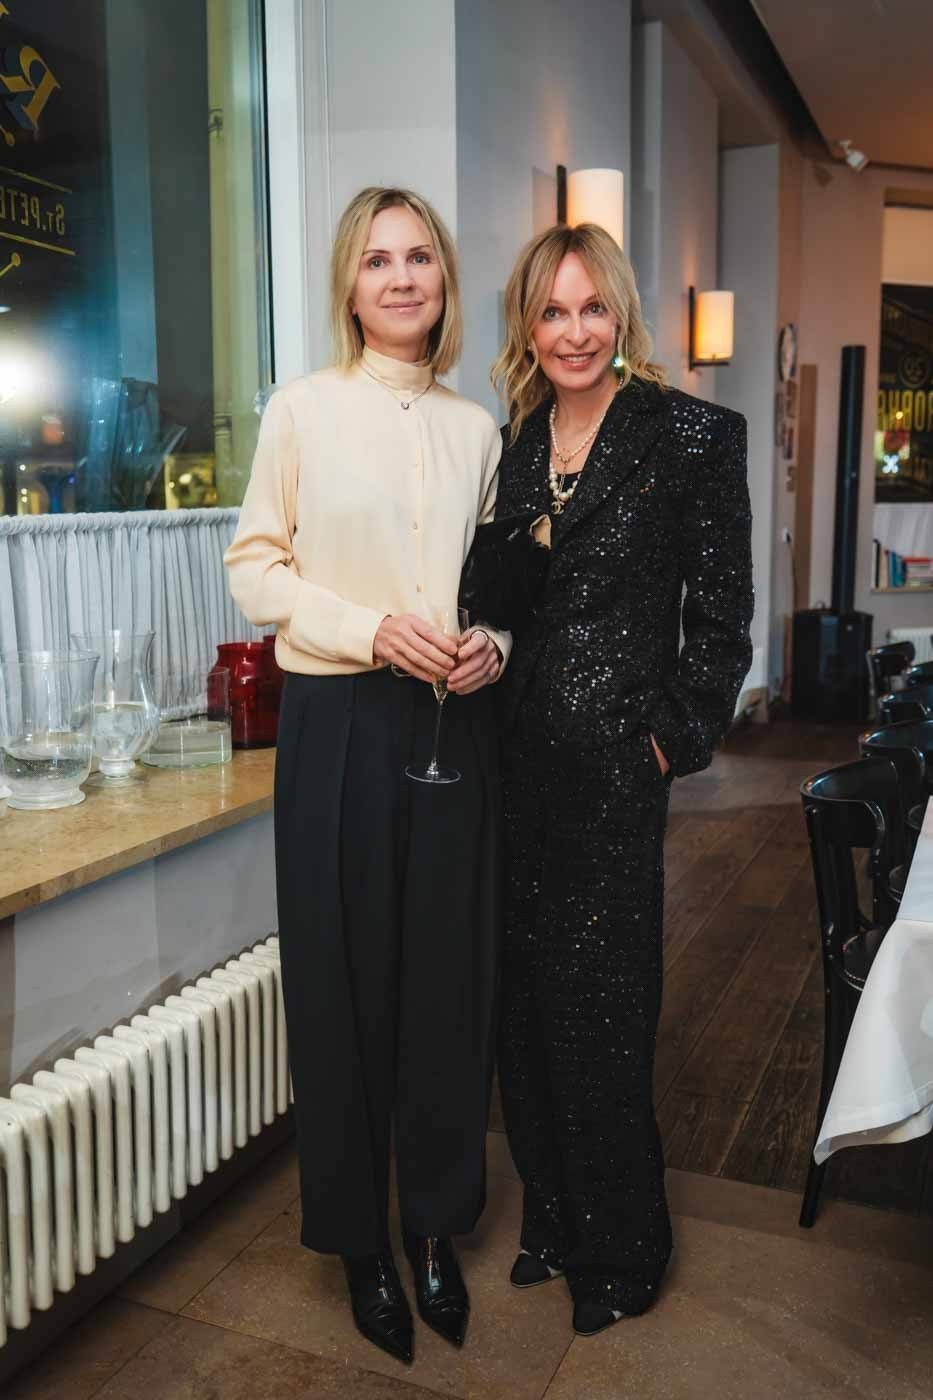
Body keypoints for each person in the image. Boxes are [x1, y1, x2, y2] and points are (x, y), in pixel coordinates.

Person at [224, 186, 508, 1366]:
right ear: (349, 281)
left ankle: (435, 1226)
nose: (400, 278)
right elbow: (255, 567)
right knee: (340, 982)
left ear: (443, 279)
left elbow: (498, 584)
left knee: (447, 977)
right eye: (378, 259)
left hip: (453, 721)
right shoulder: (302, 410)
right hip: (337, 720)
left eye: (419, 257)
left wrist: (495, 644)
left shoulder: (478, 429)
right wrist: (368, 627)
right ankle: (359, 1244)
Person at [491, 223, 753, 1336]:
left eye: (592, 307)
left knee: (601, 1010)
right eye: (553, 311)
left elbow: (723, 615)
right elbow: (504, 594)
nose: (575, 332)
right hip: (510, 768)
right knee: (523, 1008)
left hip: (611, 770)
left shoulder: (689, 434)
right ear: (528, 325)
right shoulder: (517, 441)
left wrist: (668, 738)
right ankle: (552, 1218)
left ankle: (624, 1247)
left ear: (622, 313)